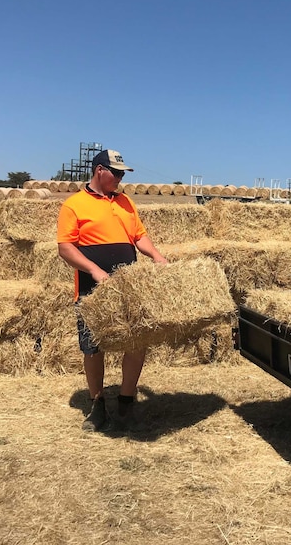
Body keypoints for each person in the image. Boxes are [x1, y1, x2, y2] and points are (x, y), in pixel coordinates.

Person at [57, 149, 168, 432]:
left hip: (128, 286)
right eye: (116, 173)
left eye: (122, 174)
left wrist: (156, 255)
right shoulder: (74, 205)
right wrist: (93, 269)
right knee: (93, 348)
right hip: (92, 288)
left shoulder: (125, 202)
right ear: (99, 171)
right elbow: (66, 248)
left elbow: (139, 236)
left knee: (137, 341)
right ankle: (97, 405)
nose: (120, 178)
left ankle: (127, 400)